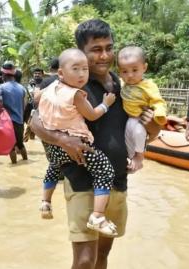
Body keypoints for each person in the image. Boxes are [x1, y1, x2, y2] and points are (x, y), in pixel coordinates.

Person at [30, 19, 160, 269]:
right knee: (84, 261)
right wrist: (62, 140)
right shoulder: (66, 83)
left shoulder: (125, 84)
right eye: (96, 49)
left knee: (102, 254)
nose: (105, 55)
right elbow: (34, 121)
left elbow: (148, 134)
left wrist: (152, 122)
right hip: (81, 179)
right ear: (82, 51)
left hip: (117, 180)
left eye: (109, 48)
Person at [38, 48, 119, 237]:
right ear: (61, 72)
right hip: (77, 145)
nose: (82, 74)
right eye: (75, 69)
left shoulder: (49, 88)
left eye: (85, 69)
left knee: (54, 167)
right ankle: (98, 216)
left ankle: (45, 202)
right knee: (104, 169)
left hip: (55, 146)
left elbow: (36, 99)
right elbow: (92, 114)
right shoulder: (76, 94)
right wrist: (106, 104)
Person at [118, 46, 168, 171]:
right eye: (124, 71)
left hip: (141, 119)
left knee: (139, 133)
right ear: (119, 71)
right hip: (129, 119)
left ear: (144, 68)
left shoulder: (148, 86)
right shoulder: (121, 84)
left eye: (135, 70)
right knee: (127, 134)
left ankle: (139, 156)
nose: (130, 75)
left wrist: (159, 115)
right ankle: (130, 158)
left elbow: (158, 101)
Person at [0, 61, 27, 164]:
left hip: (8, 122)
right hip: (20, 121)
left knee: (11, 147)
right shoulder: (22, 88)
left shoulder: (1, 87)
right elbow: (24, 105)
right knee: (20, 144)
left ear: (3, 75)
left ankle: (14, 164)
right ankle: (25, 161)